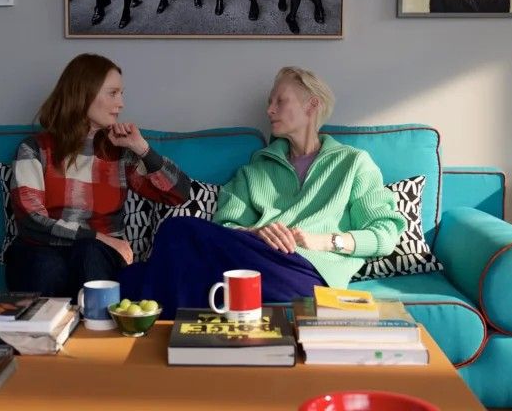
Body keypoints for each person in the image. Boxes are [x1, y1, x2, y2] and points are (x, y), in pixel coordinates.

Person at [120, 66, 406, 319]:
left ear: (312, 105)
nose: (269, 110)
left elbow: (385, 233)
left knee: (164, 251)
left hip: (309, 274)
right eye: (270, 102)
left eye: (280, 101)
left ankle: (156, 331)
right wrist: (257, 233)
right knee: (169, 242)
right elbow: (226, 228)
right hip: (255, 263)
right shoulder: (255, 169)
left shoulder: (353, 163)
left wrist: (325, 241)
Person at [4, 54, 192, 299]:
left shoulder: (119, 152)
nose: (121, 103)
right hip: (42, 250)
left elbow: (179, 194)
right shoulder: (34, 149)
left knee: (89, 252)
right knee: (49, 266)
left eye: (121, 94)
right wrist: (98, 237)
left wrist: (142, 149)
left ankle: (95, 321)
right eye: (113, 93)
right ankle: (48, 322)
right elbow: (31, 222)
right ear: (84, 94)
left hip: (97, 256)